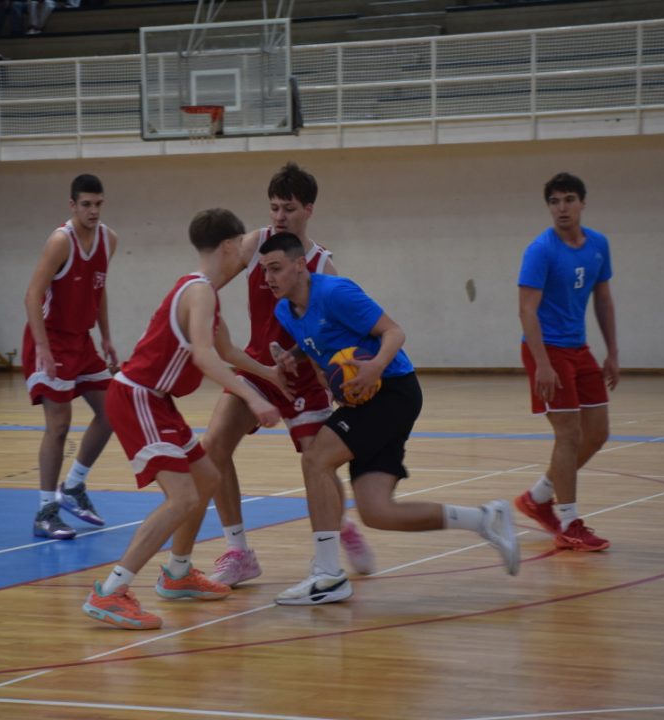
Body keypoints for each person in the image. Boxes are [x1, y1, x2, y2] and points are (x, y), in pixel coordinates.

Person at [259, 231, 520, 605]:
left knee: (316, 459)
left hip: (392, 390)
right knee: (378, 512)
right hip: (364, 400)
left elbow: (394, 332)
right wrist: (294, 357)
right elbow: (319, 340)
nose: (269, 278)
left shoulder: (336, 292)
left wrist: (374, 367)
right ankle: (483, 519)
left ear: (300, 265)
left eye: (276, 268)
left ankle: (328, 574)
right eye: (265, 270)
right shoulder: (285, 310)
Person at [82, 209, 283, 630]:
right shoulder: (200, 292)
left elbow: (227, 351)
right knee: (183, 498)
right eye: (241, 244)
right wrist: (254, 398)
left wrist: (270, 375)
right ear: (228, 245)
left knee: (206, 477)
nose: (244, 252)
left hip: (157, 400)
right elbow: (205, 358)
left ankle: (177, 573)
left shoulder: (202, 290)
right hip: (138, 397)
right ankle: (111, 591)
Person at [201, 162, 375, 588]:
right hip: (257, 369)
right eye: (275, 207)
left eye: (289, 208)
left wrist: (324, 367)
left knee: (319, 466)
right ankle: (239, 552)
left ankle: (340, 526)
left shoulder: (322, 265)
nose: (280, 216)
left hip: (304, 379)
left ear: (309, 210)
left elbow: (336, 331)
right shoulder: (254, 244)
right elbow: (205, 286)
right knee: (214, 446)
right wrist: (208, 324)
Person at [514, 172, 617, 552]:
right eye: (555, 201)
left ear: (582, 203)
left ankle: (538, 497)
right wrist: (542, 363)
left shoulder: (598, 245)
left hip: (578, 348)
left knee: (597, 433)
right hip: (546, 350)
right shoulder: (540, 250)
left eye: (569, 199)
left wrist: (613, 351)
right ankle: (570, 522)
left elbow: (603, 299)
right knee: (569, 434)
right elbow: (527, 310)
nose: (562, 208)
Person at [23, 174, 119, 540]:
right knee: (59, 424)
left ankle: (74, 486)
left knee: (113, 411)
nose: (93, 211)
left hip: (82, 340)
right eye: (86, 205)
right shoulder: (60, 241)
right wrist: (42, 346)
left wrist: (106, 336)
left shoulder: (109, 240)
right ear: (72, 205)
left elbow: (99, 289)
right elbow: (32, 295)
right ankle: (45, 512)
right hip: (51, 339)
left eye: (98, 204)